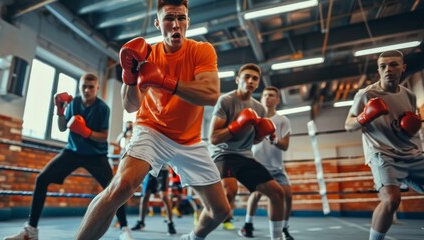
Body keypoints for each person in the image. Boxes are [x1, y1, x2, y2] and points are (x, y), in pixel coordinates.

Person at [74, 0, 231, 239]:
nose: (176, 24)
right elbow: (130, 105)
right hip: (152, 130)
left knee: (220, 210)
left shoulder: (201, 50)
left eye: (181, 18)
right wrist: (129, 75)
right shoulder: (147, 55)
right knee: (121, 187)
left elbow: (210, 95)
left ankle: (193, 237)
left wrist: (165, 81)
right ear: (158, 23)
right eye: (169, 18)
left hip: (189, 140)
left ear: (188, 21)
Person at [3, 73, 133, 240]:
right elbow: (63, 127)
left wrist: (86, 132)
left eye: (91, 87)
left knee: (115, 188)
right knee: (42, 179)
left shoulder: (103, 108)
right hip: (72, 151)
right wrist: (59, 111)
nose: (87, 90)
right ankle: (31, 231)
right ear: (80, 87)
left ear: (97, 88)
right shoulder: (74, 103)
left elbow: (104, 136)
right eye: (84, 86)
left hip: (96, 155)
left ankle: (124, 229)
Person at [344, 50, 424, 240]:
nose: (388, 70)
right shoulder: (367, 94)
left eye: (393, 64)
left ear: (403, 67)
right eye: (383, 66)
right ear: (378, 70)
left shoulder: (409, 95)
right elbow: (348, 125)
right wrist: (365, 116)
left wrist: (409, 128)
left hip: (409, 154)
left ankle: (408, 178)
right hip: (381, 153)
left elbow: (410, 130)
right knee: (391, 200)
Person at [209, 63, 286, 240]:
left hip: (245, 155)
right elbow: (214, 138)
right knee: (229, 193)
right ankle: (201, 227)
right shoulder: (226, 101)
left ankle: (277, 238)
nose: (250, 81)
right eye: (246, 77)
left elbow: (255, 140)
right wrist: (237, 125)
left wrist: (261, 134)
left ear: (258, 83)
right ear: (238, 80)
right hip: (223, 154)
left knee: (277, 193)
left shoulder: (259, 108)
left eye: (255, 78)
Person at [243, 86, 294, 239]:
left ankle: (284, 228)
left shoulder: (283, 120)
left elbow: (285, 146)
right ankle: (248, 225)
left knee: (288, 195)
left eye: (271, 95)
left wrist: (273, 138)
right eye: (265, 95)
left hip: (277, 167)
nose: (267, 97)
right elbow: (246, 141)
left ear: (277, 100)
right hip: (258, 165)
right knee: (256, 194)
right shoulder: (255, 119)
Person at [131, 165, 177, 235]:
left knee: (163, 196)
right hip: (150, 171)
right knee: (145, 196)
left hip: (162, 170)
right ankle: (141, 222)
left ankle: (170, 223)